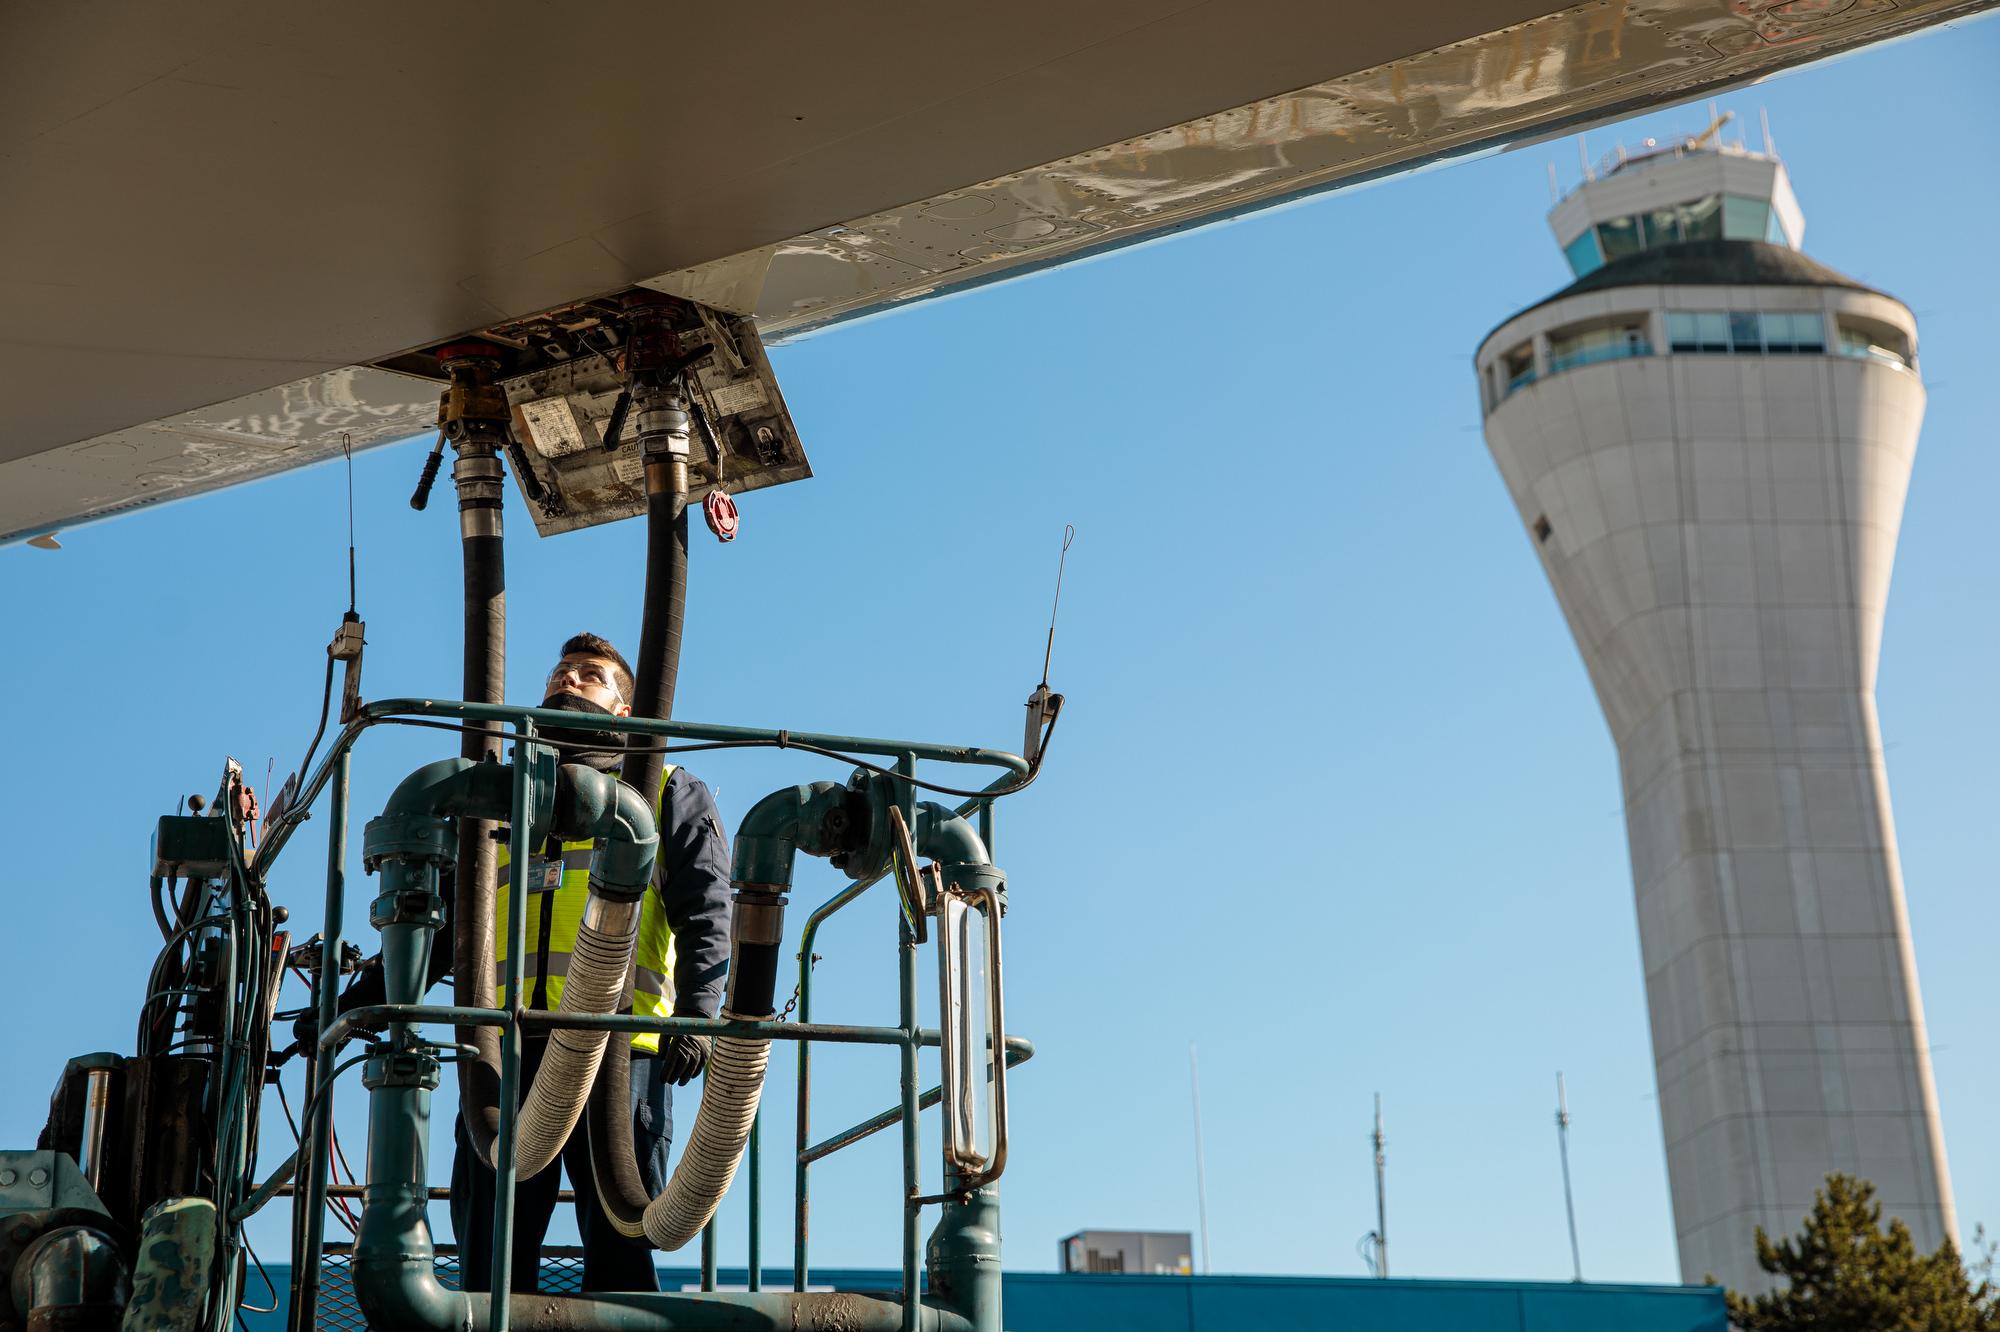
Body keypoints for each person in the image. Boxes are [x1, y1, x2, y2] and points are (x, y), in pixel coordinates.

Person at [318, 632, 730, 1293]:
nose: (568, 679)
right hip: (505, 1050)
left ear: (625, 711)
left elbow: (708, 913)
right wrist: (363, 1001)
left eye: (591, 675)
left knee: (621, 1242)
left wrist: (699, 1018)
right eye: (561, 671)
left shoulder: (667, 790)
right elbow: (445, 920)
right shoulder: (500, 798)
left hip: (620, 1051)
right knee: (490, 1250)